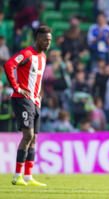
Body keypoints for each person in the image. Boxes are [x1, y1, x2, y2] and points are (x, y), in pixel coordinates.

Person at [4, 25, 52, 186]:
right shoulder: (27, 53)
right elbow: (9, 64)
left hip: (35, 100)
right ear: (37, 39)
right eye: (45, 39)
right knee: (28, 135)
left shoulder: (44, 57)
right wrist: (16, 87)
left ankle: (28, 176)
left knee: (34, 138)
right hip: (22, 98)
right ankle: (17, 175)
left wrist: (39, 93)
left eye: (50, 40)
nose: (48, 42)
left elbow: (37, 79)